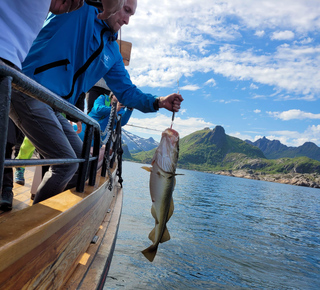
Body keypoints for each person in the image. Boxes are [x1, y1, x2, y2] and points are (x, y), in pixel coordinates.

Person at [9, 0, 183, 204]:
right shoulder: (79, 8)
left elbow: (126, 91)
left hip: (56, 107)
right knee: (66, 164)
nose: (127, 20)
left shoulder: (112, 53)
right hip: (27, 89)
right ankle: (37, 224)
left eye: (131, 15)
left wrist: (159, 101)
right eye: (126, 10)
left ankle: (55, 211)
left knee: (86, 164)